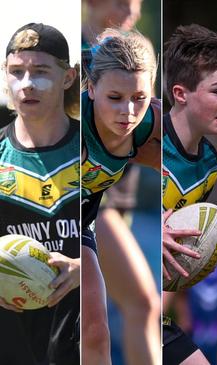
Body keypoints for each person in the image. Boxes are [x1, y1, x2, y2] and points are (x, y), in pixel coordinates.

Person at [82, 2, 161, 363]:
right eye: (121, 5)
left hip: (106, 204)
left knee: (139, 306)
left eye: (136, 6)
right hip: (83, 207)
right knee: (130, 307)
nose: (130, 15)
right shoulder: (65, 64)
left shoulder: (135, 61)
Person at [0, 22, 81, 365]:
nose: (27, 84)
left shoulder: (99, 153)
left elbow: (141, 237)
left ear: (68, 77)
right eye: (16, 72)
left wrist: (84, 269)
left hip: (84, 337)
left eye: (41, 71)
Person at [161, 23, 217, 365]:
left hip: (154, 310)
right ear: (181, 93)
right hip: (108, 300)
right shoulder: (142, 141)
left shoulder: (210, 165)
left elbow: (184, 251)